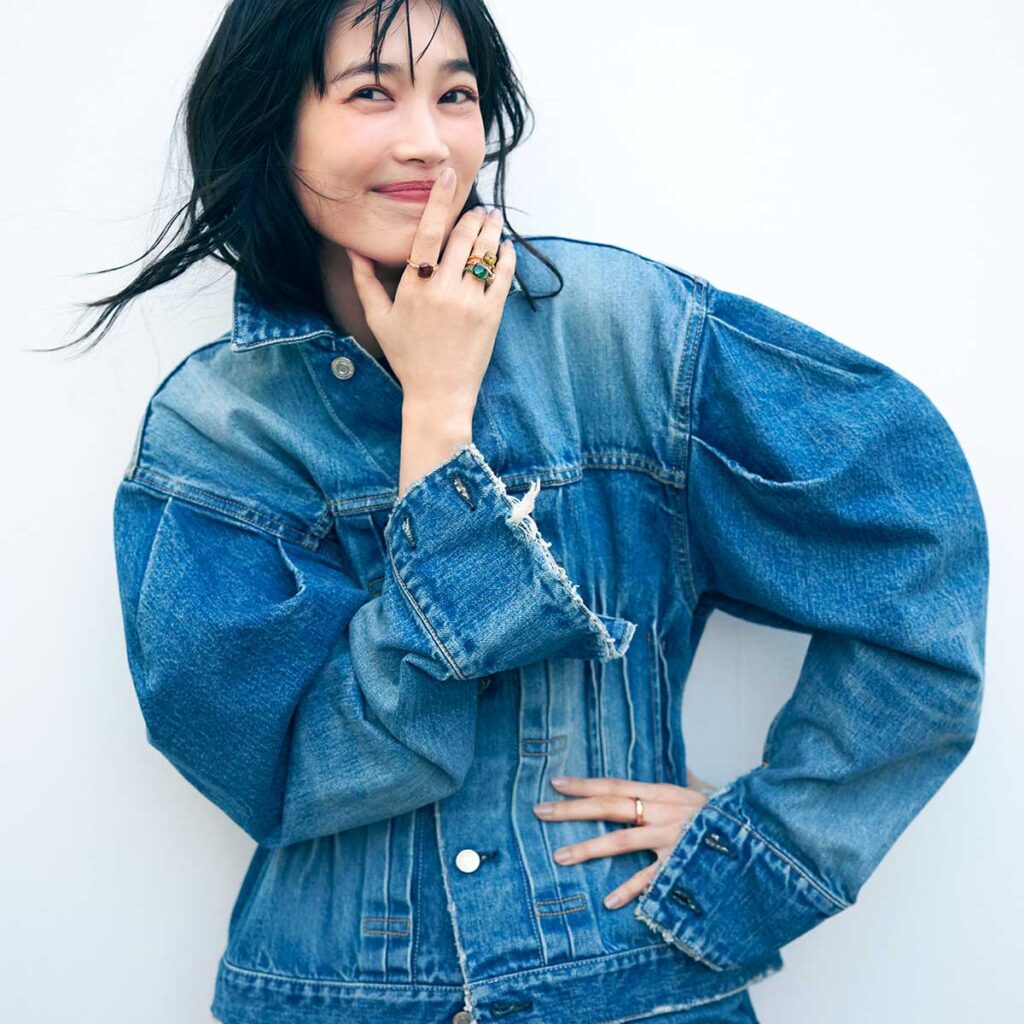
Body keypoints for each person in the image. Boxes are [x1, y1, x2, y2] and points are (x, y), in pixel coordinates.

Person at [67, 1, 987, 1022]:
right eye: (371, 92)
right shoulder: (219, 427)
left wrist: (766, 846)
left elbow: (911, 531)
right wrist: (436, 421)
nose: (428, 140)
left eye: (455, 94)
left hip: (631, 986)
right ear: (273, 121)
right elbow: (293, 772)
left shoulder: (620, 333)